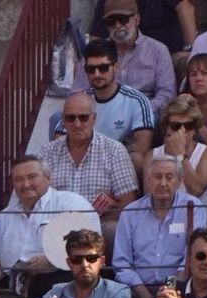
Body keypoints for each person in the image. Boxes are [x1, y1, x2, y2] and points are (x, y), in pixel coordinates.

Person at [0, 155, 99, 298]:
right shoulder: (5, 216)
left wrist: (51, 261)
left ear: (48, 178)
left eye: (31, 177)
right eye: (18, 179)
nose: (25, 184)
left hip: (55, 280)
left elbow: (90, 249)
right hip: (12, 284)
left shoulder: (71, 204)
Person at [39, 94, 139, 242]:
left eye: (83, 118)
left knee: (114, 229)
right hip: (55, 228)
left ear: (94, 119)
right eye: (70, 118)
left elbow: (127, 204)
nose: (77, 124)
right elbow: (37, 200)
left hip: (97, 229)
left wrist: (90, 224)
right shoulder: (47, 152)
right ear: (63, 120)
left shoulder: (114, 150)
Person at [114, 156, 207, 298]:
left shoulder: (193, 208)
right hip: (137, 289)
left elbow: (191, 258)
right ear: (148, 180)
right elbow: (121, 263)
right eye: (157, 177)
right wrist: (144, 294)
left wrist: (168, 289)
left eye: (169, 177)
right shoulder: (130, 212)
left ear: (179, 181)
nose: (163, 183)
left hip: (178, 287)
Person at [78, 0, 177, 113]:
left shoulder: (158, 51)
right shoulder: (94, 52)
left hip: (145, 112)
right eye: (111, 21)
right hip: (103, 112)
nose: (117, 25)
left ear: (137, 19)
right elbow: (78, 93)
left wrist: (138, 110)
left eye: (123, 19)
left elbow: (167, 95)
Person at [70, 40, 156, 168]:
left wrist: (106, 159)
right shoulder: (79, 101)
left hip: (119, 164)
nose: (97, 74)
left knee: (137, 159)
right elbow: (60, 135)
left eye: (103, 68)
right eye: (91, 69)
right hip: (84, 163)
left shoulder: (137, 100)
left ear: (116, 67)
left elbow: (142, 146)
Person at [19, 228, 132, 298]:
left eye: (91, 258)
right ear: (69, 263)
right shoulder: (57, 290)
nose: (84, 265)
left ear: (102, 261)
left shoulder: (119, 291)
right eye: (76, 259)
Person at [150, 95, 207, 206]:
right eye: (176, 126)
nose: (182, 131)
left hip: (201, 215)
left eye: (189, 126)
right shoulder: (152, 155)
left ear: (194, 130)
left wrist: (180, 154)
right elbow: (151, 198)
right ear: (166, 128)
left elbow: (196, 190)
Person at [88, 0, 192, 62]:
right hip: (122, 57)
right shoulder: (108, 2)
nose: (117, 24)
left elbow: (185, 8)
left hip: (170, 53)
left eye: (123, 19)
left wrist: (190, 50)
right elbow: (96, 35)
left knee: (186, 63)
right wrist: (93, 58)